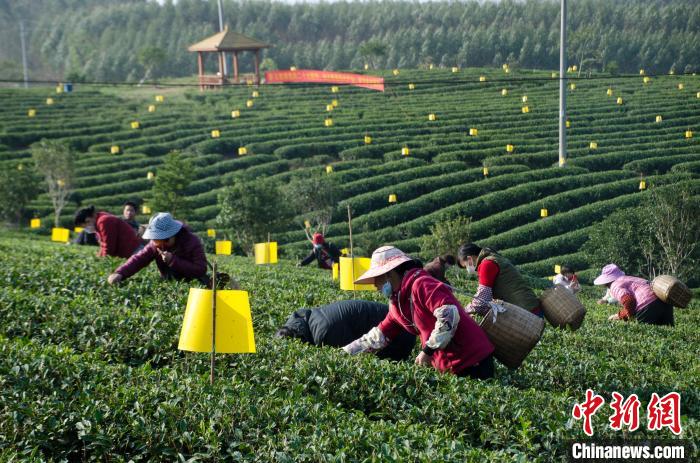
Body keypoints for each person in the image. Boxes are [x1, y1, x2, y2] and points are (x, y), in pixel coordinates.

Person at [343, 246, 495, 379]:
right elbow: (379, 336)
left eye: (376, 279)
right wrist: (344, 354)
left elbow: (449, 314)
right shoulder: (397, 303)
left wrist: (428, 351)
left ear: (388, 274)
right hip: (449, 364)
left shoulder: (421, 284)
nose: (375, 286)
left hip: (473, 360)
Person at [276, 300, 416, 361]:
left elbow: (356, 355)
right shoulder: (303, 319)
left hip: (400, 332)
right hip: (397, 322)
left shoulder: (324, 333)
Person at [107, 212, 208, 285]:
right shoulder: (156, 244)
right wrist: (120, 273)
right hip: (169, 283)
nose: (157, 244)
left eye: (160, 240)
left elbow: (200, 270)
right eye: (155, 240)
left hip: (193, 285)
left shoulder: (192, 242)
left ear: (172, 235)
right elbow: (139, 259)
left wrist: (173, 260)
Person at [457, 243, 543, 317]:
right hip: (531, 306)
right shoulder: (493, 258)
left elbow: (482, 299)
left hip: (526, 312)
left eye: (465, 266)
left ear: (469, 259)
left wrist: (464, 312)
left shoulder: (486, 264)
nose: (467, 270)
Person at [593, 264, 673, 326]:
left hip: (648, 306)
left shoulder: (615, 285)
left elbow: (629, 301)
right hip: (664, 301)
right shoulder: (628, 278)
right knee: (668, 332)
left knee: (645, 334)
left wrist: (621, 316)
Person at [74, 205, 141, 258]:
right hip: (129, 253)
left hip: (134, 252)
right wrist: (98, 256)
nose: (87, 227)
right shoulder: (99, 220)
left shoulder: (104, 221)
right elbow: (103, 245)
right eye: (84, 226)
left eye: (87, 222)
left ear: (93, 216)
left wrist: (101, 259)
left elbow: (109, 247)